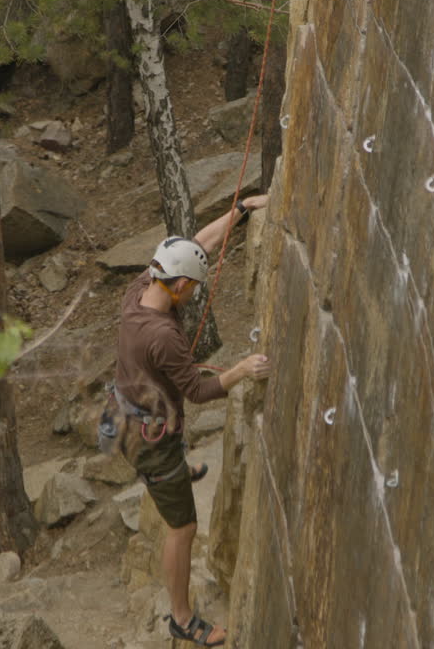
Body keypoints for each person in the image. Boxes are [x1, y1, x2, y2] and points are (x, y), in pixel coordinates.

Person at [113, 194, 271, 647]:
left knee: (174, 483)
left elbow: (199, 243)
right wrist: (241, 370)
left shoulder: (144, 286)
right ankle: (182, 618)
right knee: (182, 528)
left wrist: (242, 210)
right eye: (195, 287)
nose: (197, 293)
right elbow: (199, 392)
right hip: (151, 439)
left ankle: (175, 471)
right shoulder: (163, 336)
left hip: (130, 412)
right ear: (180, 284)